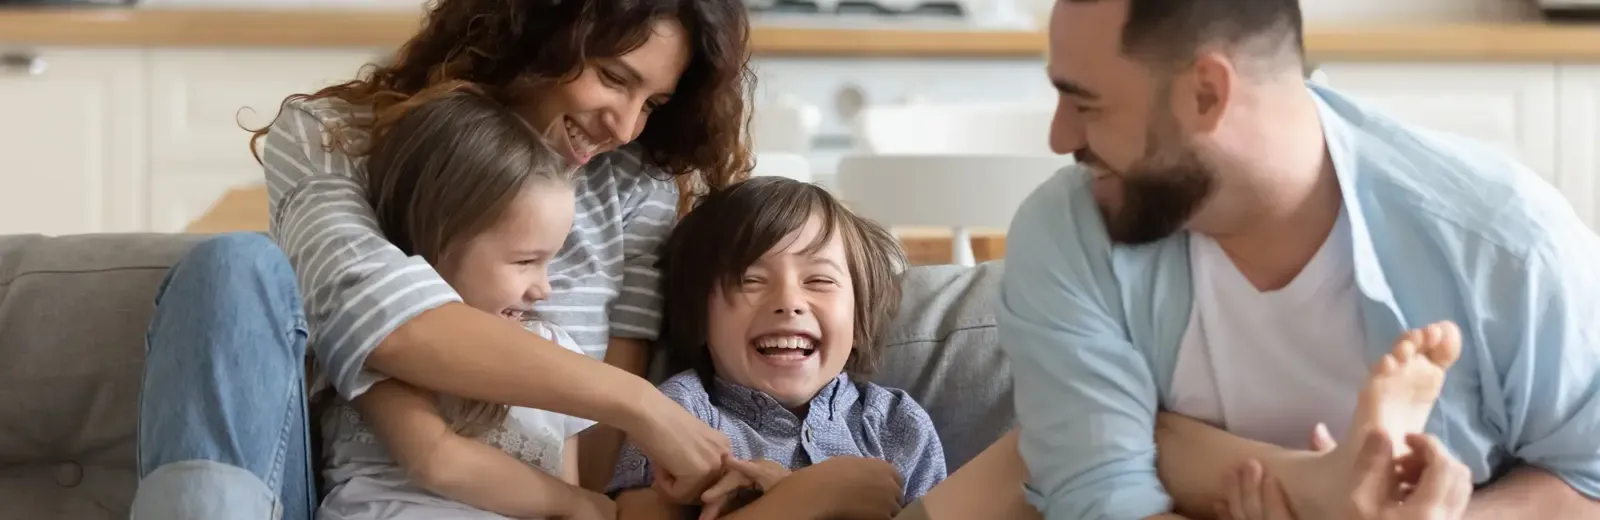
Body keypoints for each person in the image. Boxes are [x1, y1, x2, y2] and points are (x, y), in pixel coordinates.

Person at [130, 1, 753, 519]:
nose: (624, 125)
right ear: (537, 30)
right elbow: (380, 323)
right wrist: (637, 404)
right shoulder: (336, 137)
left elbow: (591, 480)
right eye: (614, 77)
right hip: (330, 498)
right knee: (233, 264)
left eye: (653, 103)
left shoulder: (635, 188)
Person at [998, 0, 1600, 518]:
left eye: (1087, 104)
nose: (1058, 137)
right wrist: (1314, 491)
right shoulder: (1068, 235)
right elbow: (1098, 498)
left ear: (1206, 94)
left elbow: (1590, 478)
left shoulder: (1504, 245)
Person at [312, 84, 613, 519]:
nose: (543, 288)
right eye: (526, 260)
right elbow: (435, 460)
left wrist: (579, 504)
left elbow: (571, 504)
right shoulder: (382, 342)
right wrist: (582, 504)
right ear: (441, 243)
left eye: (550, 262)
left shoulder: (557, 354)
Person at [605, 177, 949, 520]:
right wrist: (804, 497)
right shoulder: (680, 411)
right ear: (698, 314)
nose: (788, 302)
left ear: (859, 319)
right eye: (749, 280)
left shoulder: (898, 424)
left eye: (819, 280)